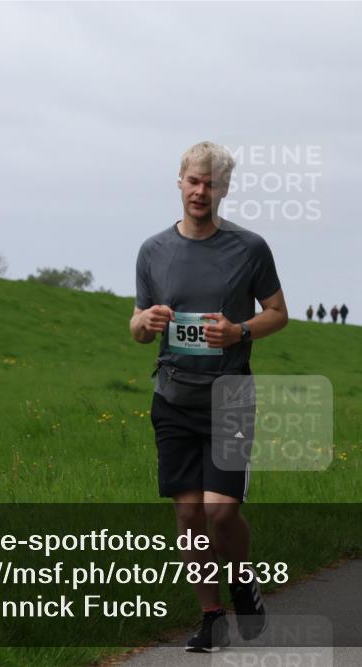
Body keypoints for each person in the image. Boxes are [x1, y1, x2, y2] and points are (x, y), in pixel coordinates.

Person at [130, 141, 288, 652]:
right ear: (179, 181)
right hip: (174, 398)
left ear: (225, 189)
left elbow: (278, 312)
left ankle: (243, 583)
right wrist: (144, 321)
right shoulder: (153, 251)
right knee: (189, 515)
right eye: (194, 181)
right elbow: (137, 325)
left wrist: (239, 331)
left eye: (212, 184)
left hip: (230, 398)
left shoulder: (250, 248)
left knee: (221, 512)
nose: (202, 191)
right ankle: (211, 616)